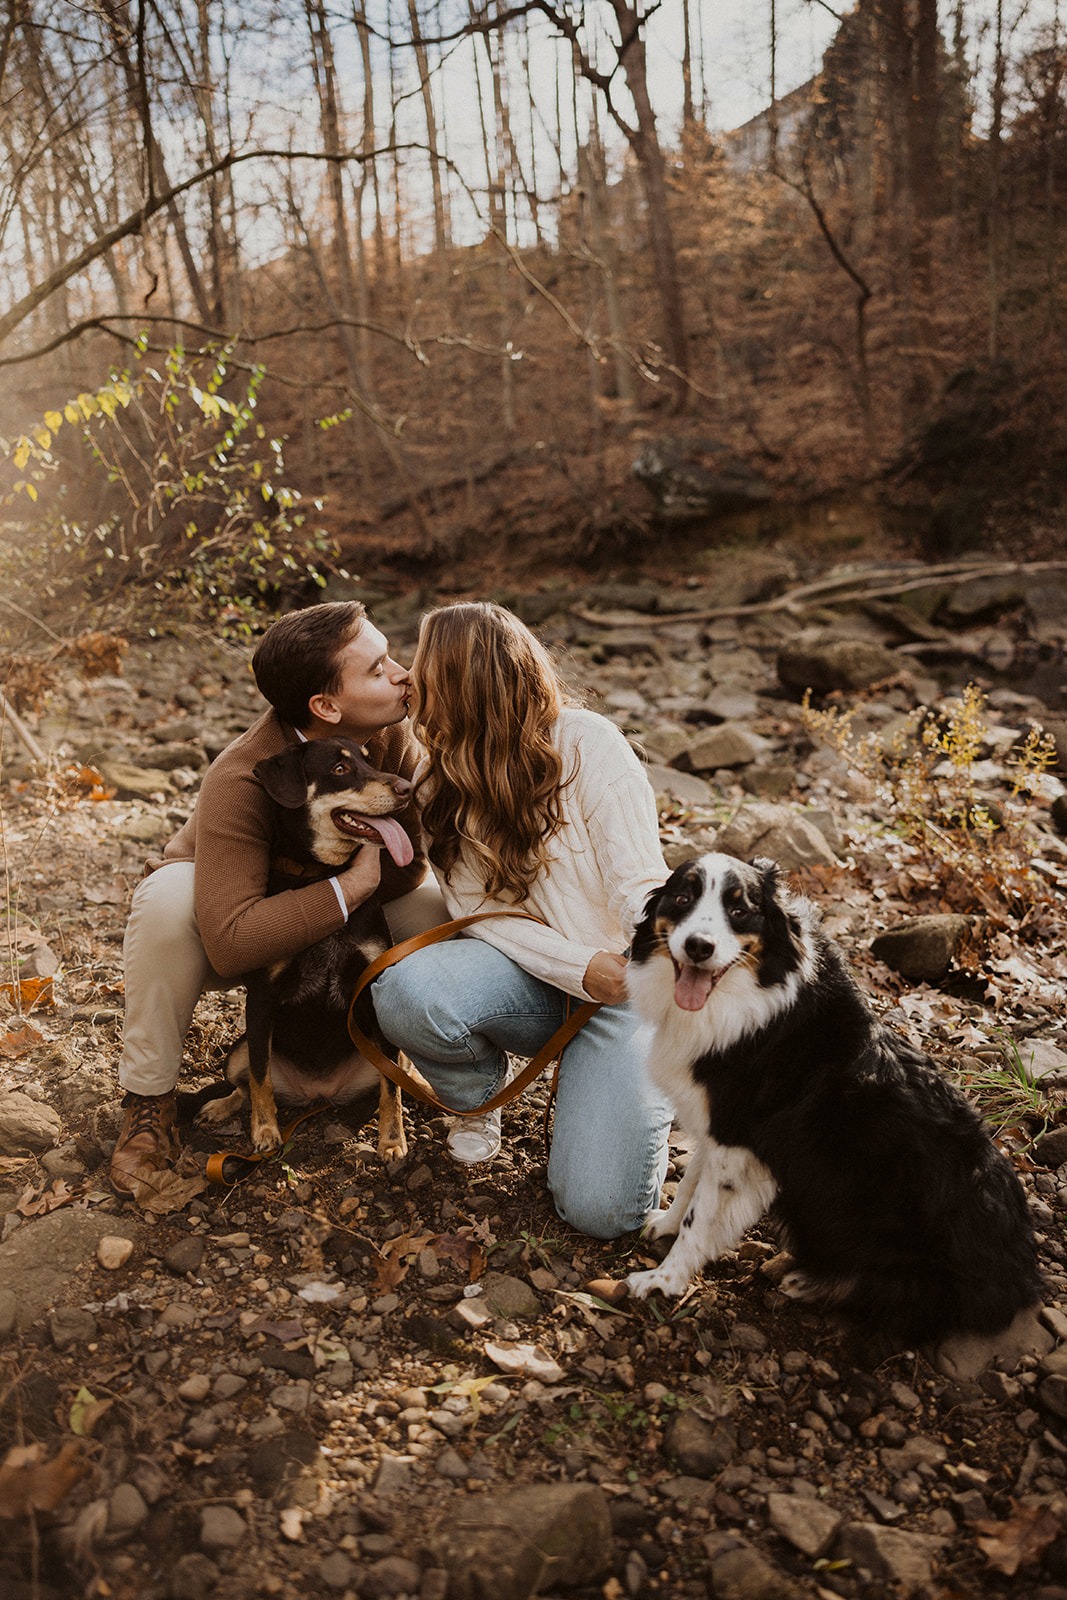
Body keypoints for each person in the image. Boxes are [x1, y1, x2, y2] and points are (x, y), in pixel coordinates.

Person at [110, 600, 437, 1194]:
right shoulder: (242, 775)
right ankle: (149, 1100)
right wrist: (353, 883)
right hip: (228, 908)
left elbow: (409, 869)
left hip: (339, 894)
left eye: (394, 657)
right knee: (163, 903)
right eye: (379, 667)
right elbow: (233, 944)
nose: (403, 674)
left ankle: (433, 1054)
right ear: (326, 707)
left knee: (441, 907)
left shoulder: (391, 737)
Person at [371, 602, 673, 1240]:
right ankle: (479, 1095)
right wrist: (577, 967)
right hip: (531, 979)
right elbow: (478, 912)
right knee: (402, 992)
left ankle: (629, 1086)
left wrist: (647, 959)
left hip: (625, 993)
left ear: (462, 682)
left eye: (420, 666)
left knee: (603, 1215)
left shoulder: (589, 744)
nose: (408, 679)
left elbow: (641, 882)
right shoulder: (435, 777)